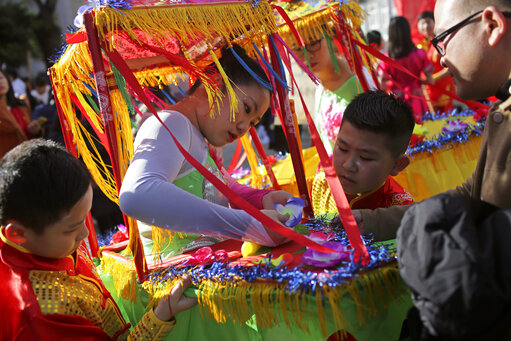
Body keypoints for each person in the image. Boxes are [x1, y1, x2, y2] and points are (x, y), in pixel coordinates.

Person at [0, 139, 197, 340]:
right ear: (17, 234)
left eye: (85, 217)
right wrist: (157, 318)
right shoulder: (42, 313)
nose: (85, 233)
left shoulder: (46, 245)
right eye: (72, 228)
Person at [355, 0, 511, 242]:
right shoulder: (502, 112)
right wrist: (374, 222)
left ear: (492, 25)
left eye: (443, 39)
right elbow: (473, 195)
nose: (441, 58)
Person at [119, 45, 293, 262]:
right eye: (246, 108)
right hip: (176, 283)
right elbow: (135, 195)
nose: (244, 127)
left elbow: (219, 186)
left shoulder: (195, 134)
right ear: (213, 85)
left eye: (253, 123)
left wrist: (261, 198)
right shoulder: (170, 124)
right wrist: (247, 224)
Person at [311, 90, 414, 214]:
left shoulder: (402, 214)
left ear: (397, 165)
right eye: (343, 149)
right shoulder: (322, 183)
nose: (348, 165)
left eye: (365, 157)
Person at [293, 36, 371, 155]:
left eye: (313, 43)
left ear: (328, 36)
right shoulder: (320, 86)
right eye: (297, 48)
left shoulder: (361, 82)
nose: (307, 56)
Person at [379, 16, 434, 122]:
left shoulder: (386, 60)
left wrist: (395, 85)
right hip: (418, 101)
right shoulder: (420, 54)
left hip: (396, 104)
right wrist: (418, 82)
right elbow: (431, 81)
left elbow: (381, 86)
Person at [415, 11, 455, 113]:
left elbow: (450, 67)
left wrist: (433, 78)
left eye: (428, 22)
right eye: (422, 23)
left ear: (434, 22)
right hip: (428, 93)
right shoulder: (418, 46)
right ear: (418, 26)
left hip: (443, 91)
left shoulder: (441, 42)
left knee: (448, 124)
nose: (426, 26)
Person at [0, 69, 42, 158]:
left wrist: (35, 131)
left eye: (1, 78)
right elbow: (11, 126)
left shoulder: (21, 106)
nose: (0, 83)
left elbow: (25, 133)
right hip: (5, 162)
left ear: (7, 80)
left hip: (27, 158)